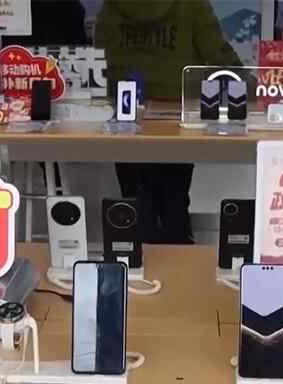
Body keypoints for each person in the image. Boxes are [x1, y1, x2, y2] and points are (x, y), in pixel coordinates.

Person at [97, 0, 240, 244]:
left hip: (126, 109)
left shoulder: (113, 4)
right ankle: (178, 256)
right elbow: (218, 53)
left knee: (134, 199)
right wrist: (252, 85)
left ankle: (136, 258)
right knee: (175, 196)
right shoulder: (192, 4)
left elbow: (100, 51)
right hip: (176, 113)